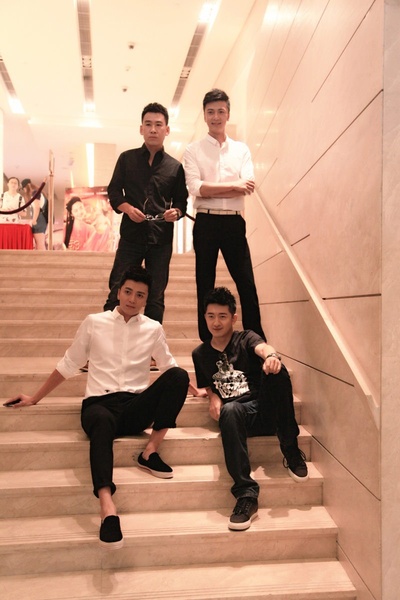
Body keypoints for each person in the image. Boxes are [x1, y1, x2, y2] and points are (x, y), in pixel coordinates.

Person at [4, 266, 189, 549]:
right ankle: (107, 508)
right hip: (98, 405)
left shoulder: (153, 329)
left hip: (134, 407)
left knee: (179, 375)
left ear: (147, 299)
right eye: (128, 291)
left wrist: (196, 389)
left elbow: (168, 366)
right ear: (118, 292)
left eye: (140, 295)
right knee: (102, 422)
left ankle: (150, 452)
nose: (132, 299)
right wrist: (35, 397)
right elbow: (69, 363)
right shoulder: (94, 323)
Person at [192, 287, 308, 532]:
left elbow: (263, 348)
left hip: (264, 409)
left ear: (233, 318)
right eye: (211, 316)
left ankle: (290, 447)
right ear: (204, 318)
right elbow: (208, 385)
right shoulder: (200, 354)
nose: (216, 322)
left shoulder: (245, 338)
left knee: (278, 371)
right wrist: (213, 397)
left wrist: (272, 356)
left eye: (222, 316)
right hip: (237, 418)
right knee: (230, 409)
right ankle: (246, 495)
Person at [183, 89, 265, 342]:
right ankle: (206, 340)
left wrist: (216, 188)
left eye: (220, 111)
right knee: (204, 282)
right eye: (210, 112)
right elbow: (196, 188)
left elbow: (247, 185)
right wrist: (233, 186)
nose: (216, 116)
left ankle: (256, 339)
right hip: (205, 221)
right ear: (204, 115)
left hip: (233, 221)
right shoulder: (193, 150)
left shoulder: (241, 150)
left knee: (246, 282)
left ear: (228, 114)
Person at [104, 102, 188, 324]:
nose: (153, 129)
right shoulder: (126, 159)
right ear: (141, 128)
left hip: (161, 239)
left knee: (156, 297)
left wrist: (176, 212)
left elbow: (182, 201)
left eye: (158, 125)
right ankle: (108, 338)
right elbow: (114, 191)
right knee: (117, 289)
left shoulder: (175, 167)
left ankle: (150, 344)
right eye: (148, 124)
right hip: (131, 236)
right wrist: (128, 209)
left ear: (167, 130)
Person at [21, 178, 48, 250]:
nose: (24, 190)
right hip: (41, 218)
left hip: (39, 218)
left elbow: (36, 207)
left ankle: (42, 257)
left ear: (27, 186)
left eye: (24, 188)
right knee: (39, 242)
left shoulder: (35, 193)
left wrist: (34, 220)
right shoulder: (38, 192)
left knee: (39, 243)